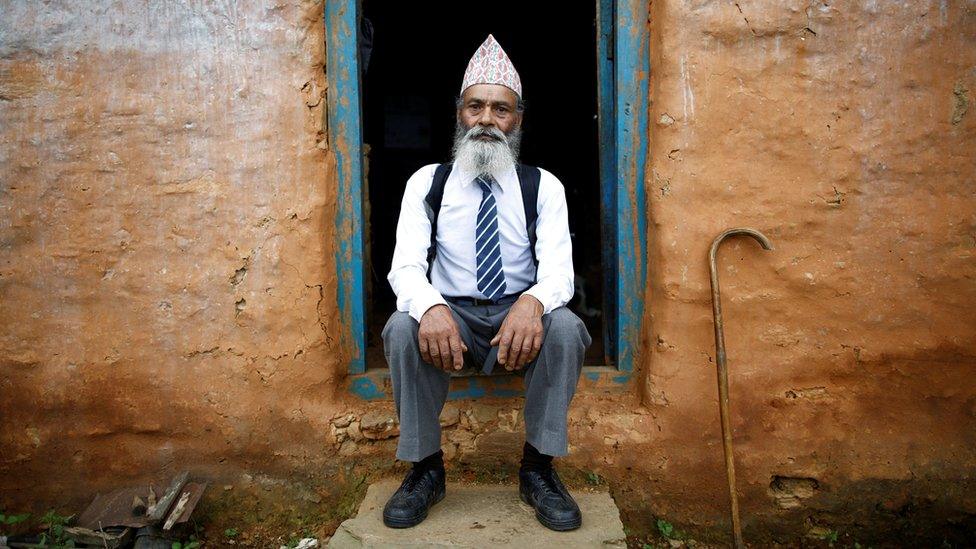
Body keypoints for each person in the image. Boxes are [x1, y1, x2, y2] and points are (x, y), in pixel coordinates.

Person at [382, 35, 591, 532]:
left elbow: (559, 271)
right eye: (476, 106)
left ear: (517, 119)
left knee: (565, 328)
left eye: (501, 109)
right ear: (459, 113)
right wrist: (431, 308)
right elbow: (405, 267)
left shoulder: (543, 185)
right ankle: (425, 469)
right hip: (451, 316)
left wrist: (532, 303)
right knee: (398, 327)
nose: (487, 120)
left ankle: (538, 469)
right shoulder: (426, 182)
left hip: (516, 318)